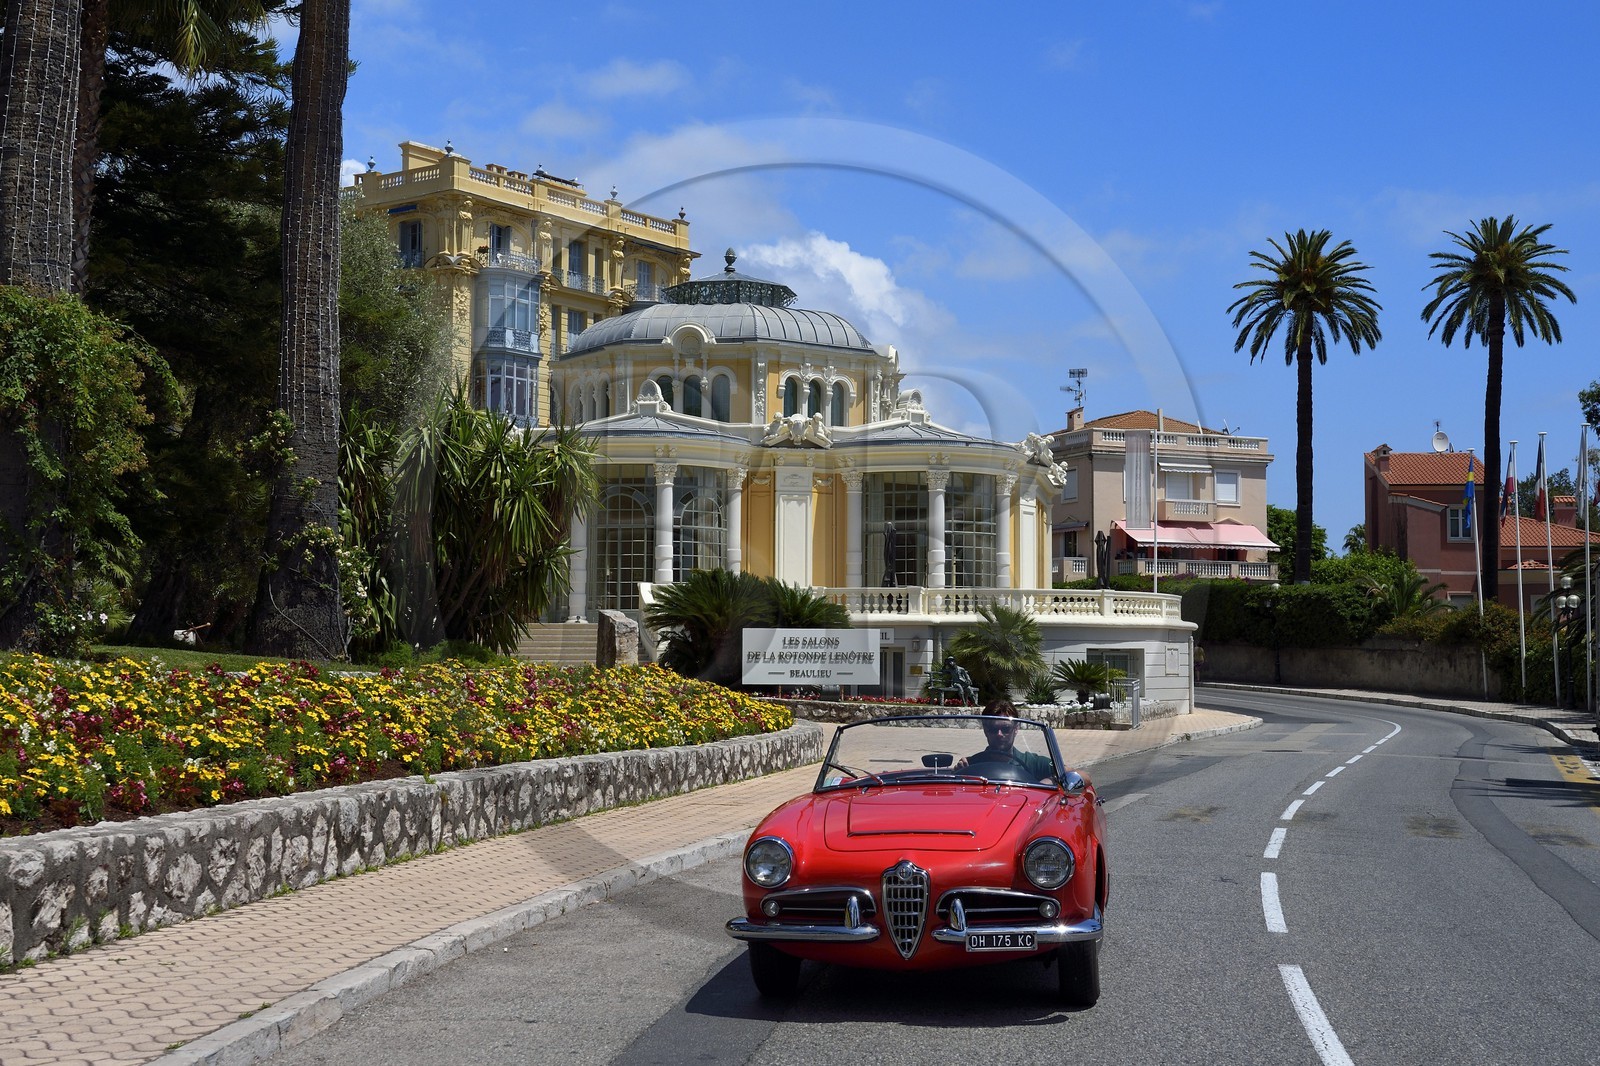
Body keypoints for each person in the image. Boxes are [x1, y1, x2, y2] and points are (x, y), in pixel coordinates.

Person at [955, 699, 1056, 781]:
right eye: (993, 729)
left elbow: (1067, 771)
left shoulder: (1031, 763)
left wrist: (1049, 781)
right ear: (986, 730)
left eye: (1005, 729)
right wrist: (958, 772)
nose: (999, 734)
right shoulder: (972, 764)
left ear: (1016, 729)